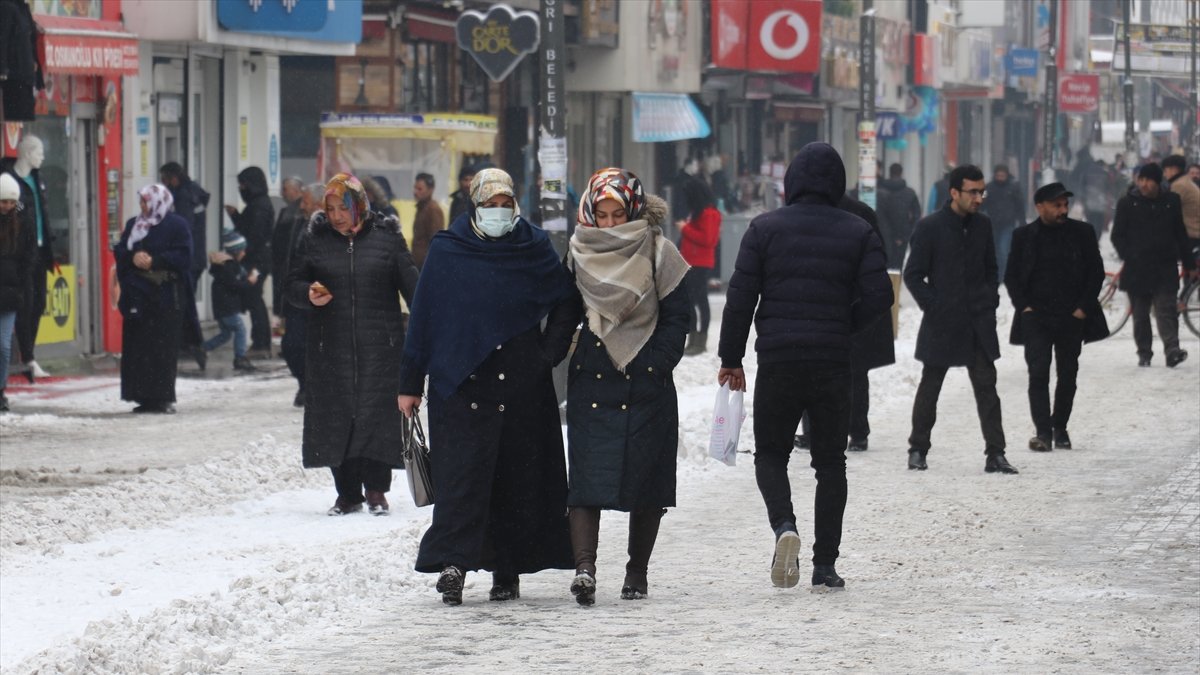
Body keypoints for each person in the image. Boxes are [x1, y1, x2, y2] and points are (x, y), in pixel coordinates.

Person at [397, 168, 577, 606]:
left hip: (520, 383)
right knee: (462, 478)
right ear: (474, 206)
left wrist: (546, 355)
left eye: (504, 205)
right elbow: (423, 317)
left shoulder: (532, 246)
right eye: (489, 205)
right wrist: (409, 382)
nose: (497, 213)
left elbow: (566, 300)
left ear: (515, 206)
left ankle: (507, 569)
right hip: (460, 382)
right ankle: (453, 564)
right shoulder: (449, 249)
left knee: (515, 480)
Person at [718, 143, 892, 592]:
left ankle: (784, 525)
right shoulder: (858, 230)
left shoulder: (764, 228)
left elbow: (740, 299)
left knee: (771, 454)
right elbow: (880, 296)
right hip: (832, 361)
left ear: (791, 181)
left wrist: (731, 358)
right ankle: (825, 565)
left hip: (778, 359)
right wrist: (844, 326)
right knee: (831, 463)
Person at [558, 167, 690, 605]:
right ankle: (585, 569)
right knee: (585, 478)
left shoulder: (660, 251)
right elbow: (564, 314)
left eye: (619, 214)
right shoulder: (578, 251)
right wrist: (541, 359)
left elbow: (677, 318)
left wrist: (655, 365)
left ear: (634, 210)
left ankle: (637, 573)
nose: (611, 223)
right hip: (593, 378)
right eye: (603, 214)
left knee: (646, 481)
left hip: (646, 382)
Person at [285, 173, 418, 516]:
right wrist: (307, 293)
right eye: (330, 209)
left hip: (381, 346)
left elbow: (413, 288)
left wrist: (427, 331)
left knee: (376, 416)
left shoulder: (387, 238)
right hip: (330, 346)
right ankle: (347, 493)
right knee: (337, 416)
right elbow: (293, 283)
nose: (336, 216)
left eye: (342, 208)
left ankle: (376, 490)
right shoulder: (315, 239)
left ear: (358, 205)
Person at [903, 164, 1018, 475]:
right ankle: (918, 448)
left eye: (982, 192)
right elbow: (913, 275)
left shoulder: (983, 225)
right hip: (942, 321)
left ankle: (996, 453)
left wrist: (989, 300)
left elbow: (992, 268)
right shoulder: (930, 227)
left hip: (978, 321)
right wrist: (934, 305)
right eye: (973, 192)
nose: (979, 198)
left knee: (987, 387)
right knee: (931, 386)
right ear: (954, 192)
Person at [1005, 183, 1108, 452]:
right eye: (1056, 205)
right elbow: (1011, 276)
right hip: (1036, 316)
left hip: (1071, 316)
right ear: (1040, 207)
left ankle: (1060, 426)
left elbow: (1095, 272)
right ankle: (1043, 432)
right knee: (1038, 373)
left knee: (1068, 373)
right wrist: (1024, 307)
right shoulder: (1024, 236)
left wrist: (1082, 308)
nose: (1063, 210)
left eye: (1065, 205)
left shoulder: (1082, 233)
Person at [115, 184, 193, 414]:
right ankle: (141, 395)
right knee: (138, 347)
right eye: (141, 201)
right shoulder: (135, 224)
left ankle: (161, 397)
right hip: (138, 295)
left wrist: (155, 261)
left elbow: (184, 256)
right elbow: (121, 250)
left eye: (146, 201)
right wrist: (132, 257)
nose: (142, 205)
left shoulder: (176, 225)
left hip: (165, 296)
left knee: (162, 348)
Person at [1110, 163, 1197, 368]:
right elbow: (1117, 235)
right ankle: (1144, 352)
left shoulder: (1171, 201)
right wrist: (1128, 255)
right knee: (1140, 315)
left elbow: (1180, 234)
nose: (1144, 184)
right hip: (1137, 267)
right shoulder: (1127, 203)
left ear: (1158, 182)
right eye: (1141, 180)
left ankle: (1172, 350)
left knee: (1166, 310)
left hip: (1164, 266)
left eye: (1148, 180)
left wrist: (1189, 263)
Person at [0, 136, 54, 382]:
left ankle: (29, 354)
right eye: (39, 152)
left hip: (39, 248)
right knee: (25, 302)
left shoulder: (37, 178)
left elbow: (41, 212)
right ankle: (28, 357)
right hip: (17, 251)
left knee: (39, 302)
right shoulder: (9, 179)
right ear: (27, 153)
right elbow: (15, 209)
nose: (42, 157)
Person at [279, 183, 323, 408]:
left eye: (306, 202)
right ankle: (305, 384)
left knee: (312, 347)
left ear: (319, 203)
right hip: (297, 295)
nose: (302, 206)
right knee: (291, 345)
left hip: (318, 297)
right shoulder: (298, 224)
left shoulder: (328, 229)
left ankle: (311, 388)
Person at [224, 166, 275, 357]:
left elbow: (255, 235)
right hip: (258, 259)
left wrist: (244, 253)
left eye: (243, 185)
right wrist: (236, 216)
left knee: (254, 299)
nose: (241, 188)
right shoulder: (258, 204)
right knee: (254, 299)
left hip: (257, 261)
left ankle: (261, 344)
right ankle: (261, 343)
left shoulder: (259, 206)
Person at [0, 173, 36, 412]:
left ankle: (0, 390)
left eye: (11, 202)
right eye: (3, 202)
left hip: (10, 293)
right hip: (11, 289)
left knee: (3, 346)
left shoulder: (24, 223)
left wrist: (21, 287)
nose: (7, 206)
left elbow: (29, 258)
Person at [202, 227, 257, 372]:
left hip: (222, 307)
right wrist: (249, 282)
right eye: (242, 250)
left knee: (226, 334)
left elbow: (233, 282)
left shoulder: (226, 266)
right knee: (240, 329)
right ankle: (240, 358)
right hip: (227, 307)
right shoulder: (228, 266)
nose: (244, 253)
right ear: (236, 251)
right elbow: (234, 285)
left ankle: (202, 349)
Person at [677, 177, 720, 355]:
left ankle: (700, 341)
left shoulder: (709, 214)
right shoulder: (699, 212)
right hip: (690, 262)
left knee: (700, 300)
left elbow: (708, 240)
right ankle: (693, 338)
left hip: (700, 263)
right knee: (690, 301)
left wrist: (685, 229)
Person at [158, 162, 211, 287]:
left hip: (187, 258)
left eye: (164, 180)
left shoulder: (183, 196)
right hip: (196, 256)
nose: (163, 184)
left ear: (174, 179)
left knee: (183, 295)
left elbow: (183, 227)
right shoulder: (194, 190)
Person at [982, 164, 1024, 283]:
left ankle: (1004, 275)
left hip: (1008, 224)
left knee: (1003, 249)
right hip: (993, 224)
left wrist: (1022, 221)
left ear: (1007, 175)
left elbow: (1020, 205)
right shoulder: (988, 188)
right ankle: (997, 274)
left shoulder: (1014, 188)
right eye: (998, 175)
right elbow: (981, 203)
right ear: (995, 175)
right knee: (994, 250)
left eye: (1002, 175)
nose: (1000, 178)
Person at [270, 176, 305, 318]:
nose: (282, 193)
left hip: (287, 264)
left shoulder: (296, 212)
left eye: (285, 190)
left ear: (295, 190)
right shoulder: (286, 211)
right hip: (282, 263)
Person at [876, 163, 922, 267]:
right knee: (897, 266)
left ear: (889, 173)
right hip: (903, 234)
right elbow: (917, 214)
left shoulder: (879, 193)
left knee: (883, 265)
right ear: (901, 173)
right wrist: (908, 232)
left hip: (883, 234)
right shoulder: (910, 193)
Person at [1162, 155, 1200, 255]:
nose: (1164, 174)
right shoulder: (1185, 182)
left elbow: (1167, 209)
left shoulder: (1179, 185)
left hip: (1191, 236)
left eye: (1165, 171)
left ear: (1174, 170)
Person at [410, 172, 446, 269]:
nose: (415, 192)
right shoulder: (421, 207)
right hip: (419, 263)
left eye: (420, 189)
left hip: (426, 264)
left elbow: (436, 240)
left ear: (430, 190)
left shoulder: (433, 210)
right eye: (415, 188)